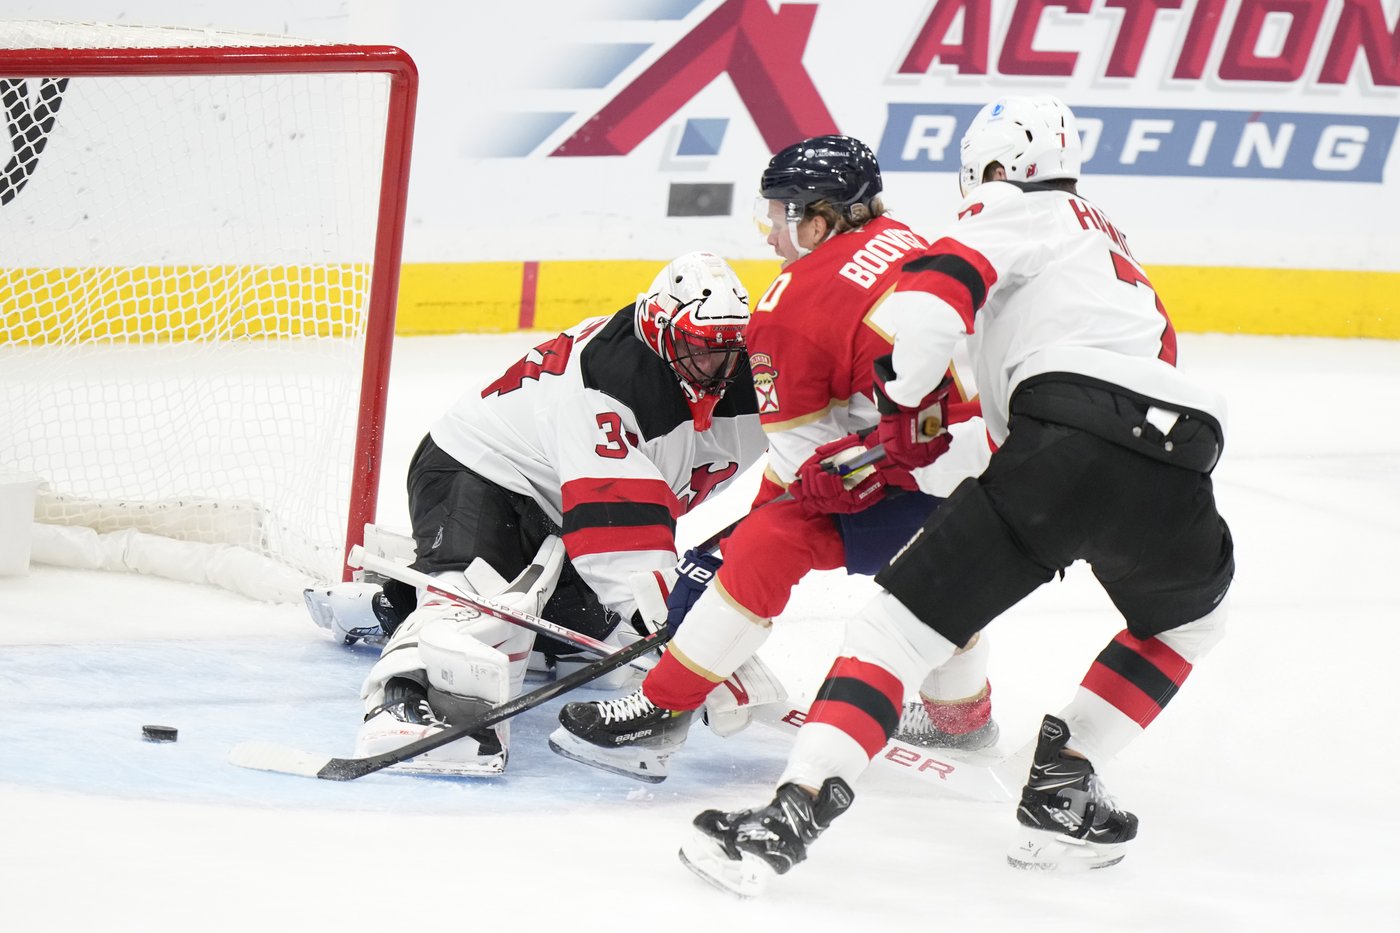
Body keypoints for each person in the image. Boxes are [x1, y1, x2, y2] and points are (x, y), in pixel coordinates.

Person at [678, 96, 1234, 895]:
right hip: (1182, 457)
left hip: (1063, 445)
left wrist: (900, 398)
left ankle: (789, 815)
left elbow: (938, 297)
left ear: (1001, 168)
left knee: (894, 632)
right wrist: (928, 455)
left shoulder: (1013, 209)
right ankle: (1066, 776)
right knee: (1187, 622)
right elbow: (1104, 395)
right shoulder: (1116, 249)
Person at [547, 135, 999, 784]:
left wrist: (709, 580)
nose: (770, 233)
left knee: (756, 546)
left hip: (918, 473)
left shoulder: (793, 304)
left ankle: (661, 708)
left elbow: (794, 473)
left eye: (781, 214)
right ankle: (963, 718)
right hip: (999, 465)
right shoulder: (909, 239)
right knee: (931, 572)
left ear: (820, 220)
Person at [304, 251, 768, 775]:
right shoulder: (611, 382)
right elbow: (619, 540)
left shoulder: (754, 371)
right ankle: (403, 695)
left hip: (565, 510)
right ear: (660, 331)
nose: (715, 370)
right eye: (697, 351)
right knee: (476, 601)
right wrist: (697, 642)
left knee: (588, 644)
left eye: (726, 353)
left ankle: (393, 603)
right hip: (479, 469)